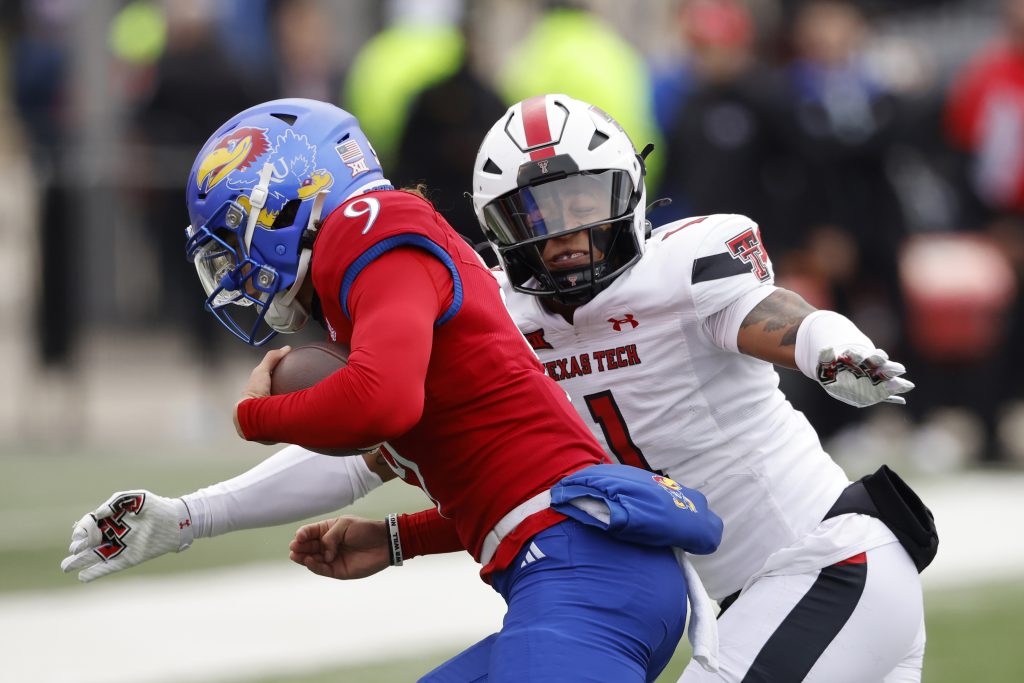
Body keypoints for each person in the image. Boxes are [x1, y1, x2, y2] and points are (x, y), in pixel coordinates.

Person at [64, 95, 929, 681]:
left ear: (629, 189)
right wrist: (195, 516)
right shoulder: (499, 319)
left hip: (824, 561)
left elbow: (768, 311)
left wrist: (832, 350)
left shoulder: (681, 265)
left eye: (583, 202)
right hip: (718, 592)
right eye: (533, 219)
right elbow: (380, 460)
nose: (563, 238)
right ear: (495, 230)